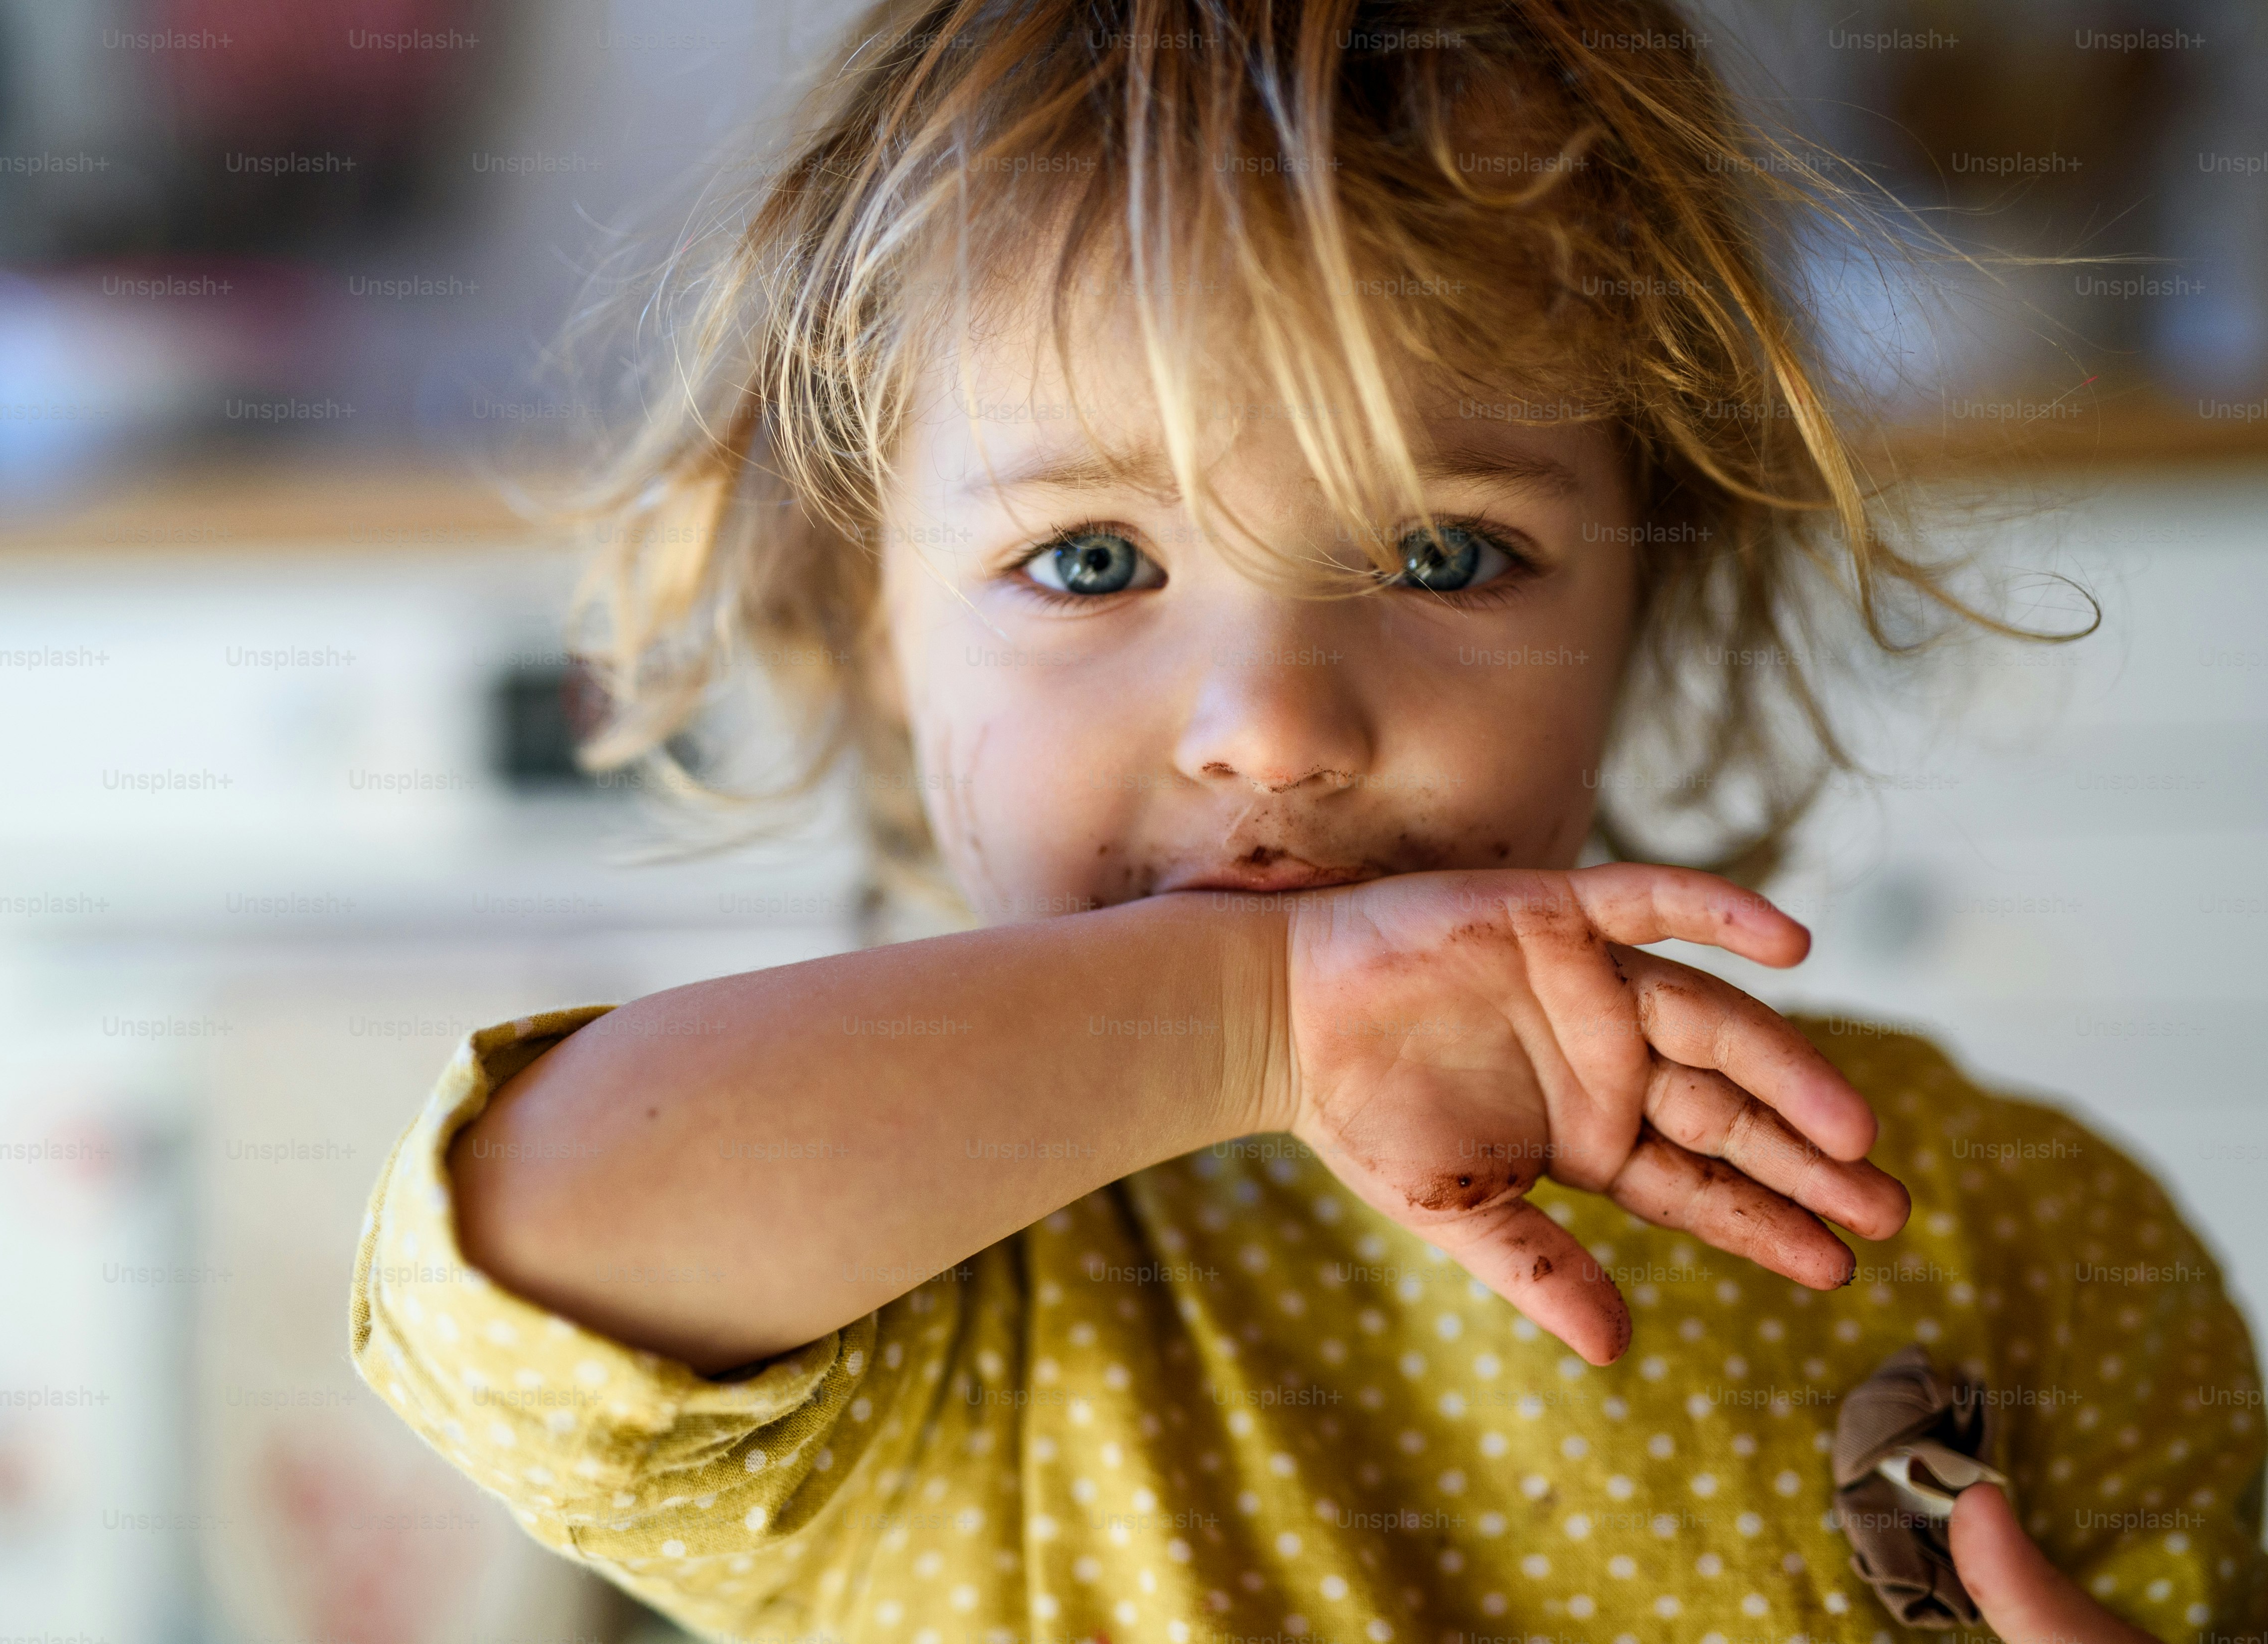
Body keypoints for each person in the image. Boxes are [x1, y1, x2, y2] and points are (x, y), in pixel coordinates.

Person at [348, 3, 2266, 1640]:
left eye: (1448, 552)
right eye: (1090, 558)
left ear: (1647, 597)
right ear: (865, 628)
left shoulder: (2009, 1235)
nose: (1272, 724)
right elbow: (523, 1242)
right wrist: (1259, 1017)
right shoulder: (899, 1265)